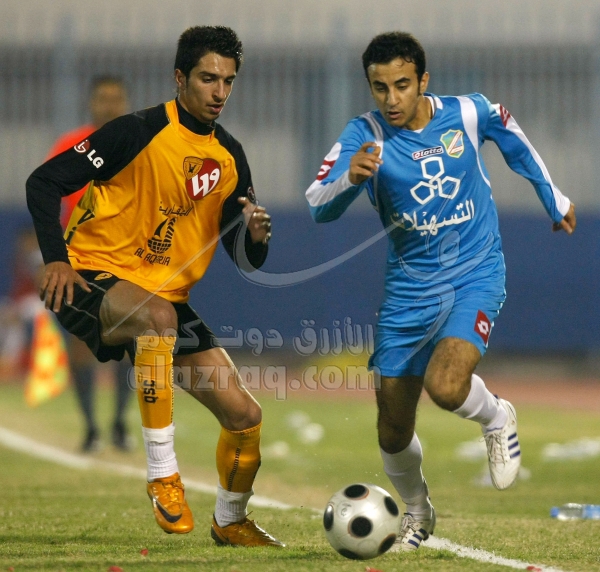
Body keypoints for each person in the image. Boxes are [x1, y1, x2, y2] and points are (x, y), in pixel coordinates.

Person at [305, 32, 576, 551]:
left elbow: (513, 136)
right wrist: (349, 179)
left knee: (447, 386)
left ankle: (496, 415)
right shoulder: (363, 134)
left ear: (423, 80)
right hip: (408, 292)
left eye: (402, 85)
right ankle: (417, 510)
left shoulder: (468, 113)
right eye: (380, 88)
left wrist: (553, 196)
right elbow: (318, 202)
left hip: (475, 274)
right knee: (392, 427)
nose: (391, 99)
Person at [26, 25, 282, 547]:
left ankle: (231, 520)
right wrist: (55, 261)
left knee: (245, 416)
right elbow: (43, 182)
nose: (219, 91)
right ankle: (163, 475)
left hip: (162, 297)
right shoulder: (134, 131)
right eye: (208, 78)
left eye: (228, 81)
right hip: (90, 277)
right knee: (157, 319)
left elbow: (243, 257)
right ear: (179, 78)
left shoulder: (229, 156)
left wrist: (255, 238)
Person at [46, 76, 132, 452]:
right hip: (78, 259)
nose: (110, 105)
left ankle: (120, 424)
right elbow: (49, 199)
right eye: (103, 98)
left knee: (129, 339)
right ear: (91, 103)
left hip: (127, 259)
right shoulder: (69, 146)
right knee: (81, 341)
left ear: (125, 104)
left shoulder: (140, 146)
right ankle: (91, 428)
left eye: (116, 99)